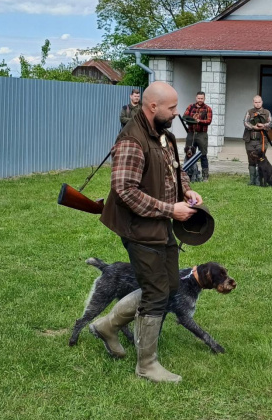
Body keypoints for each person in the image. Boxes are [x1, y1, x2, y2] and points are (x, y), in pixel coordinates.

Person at [92, 81, 203, 383]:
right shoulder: (132, 140)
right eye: (172, 108)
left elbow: (174, 170)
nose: (176, 113)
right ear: (153, 107)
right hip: (138, 228)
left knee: (169, 286)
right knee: (156, 292)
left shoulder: (164, 134)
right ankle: (146, 365)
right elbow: (125, 190)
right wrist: (172, 210)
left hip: (159, 223)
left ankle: (107, 326)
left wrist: (187, 192)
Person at [242, 95, 272, 186]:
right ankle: (252, 180)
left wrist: (262, 126)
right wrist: (253, 127)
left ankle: (259, 180)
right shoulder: (249, 112)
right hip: (250, 140)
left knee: (260, 159)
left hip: (262, 141)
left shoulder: (266, 112)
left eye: (259, 102)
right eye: (255, 102)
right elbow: (245, 122)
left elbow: (270, 123)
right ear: (253, 102)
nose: (257, 104)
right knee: (251, 160)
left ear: (262, 102)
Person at [183, 91, 213, 182]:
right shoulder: (190, 107)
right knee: (188, 154)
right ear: (196, 98)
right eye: (199, 98)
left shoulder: (208, 109)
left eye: (202, 98)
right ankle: (186, 174)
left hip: (202, 134)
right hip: (191, 133)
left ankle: (205, 176)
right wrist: (192, 120)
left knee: (203, 155)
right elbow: (185, 117)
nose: (200, 100)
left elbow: (208, 121)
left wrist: (199, 121)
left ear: (204, 99)